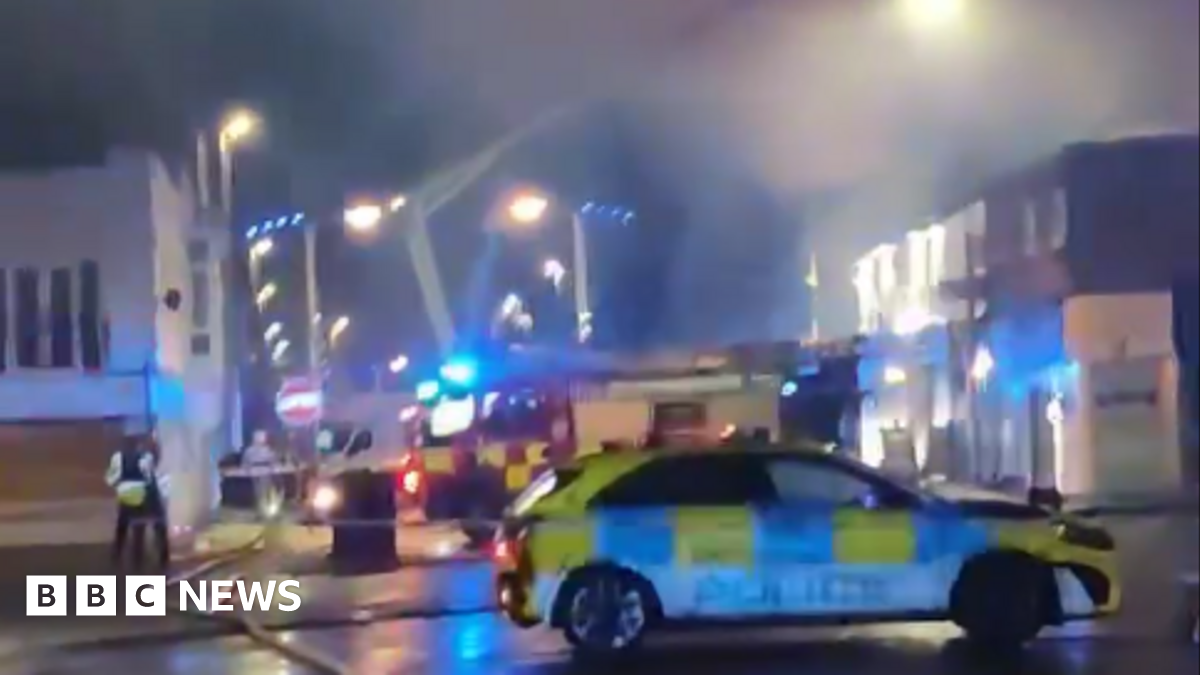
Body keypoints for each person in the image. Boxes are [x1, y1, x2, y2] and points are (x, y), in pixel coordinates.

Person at [106, 435, 169, 571]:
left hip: (128, 495)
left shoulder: (118, 457)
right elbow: (150, 474)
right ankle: (163, 559)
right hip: (147, 495)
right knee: (157, 525)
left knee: (129, 526)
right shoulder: (146, 458)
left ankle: (123, 557)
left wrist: (120, 484)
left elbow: (111, 479)